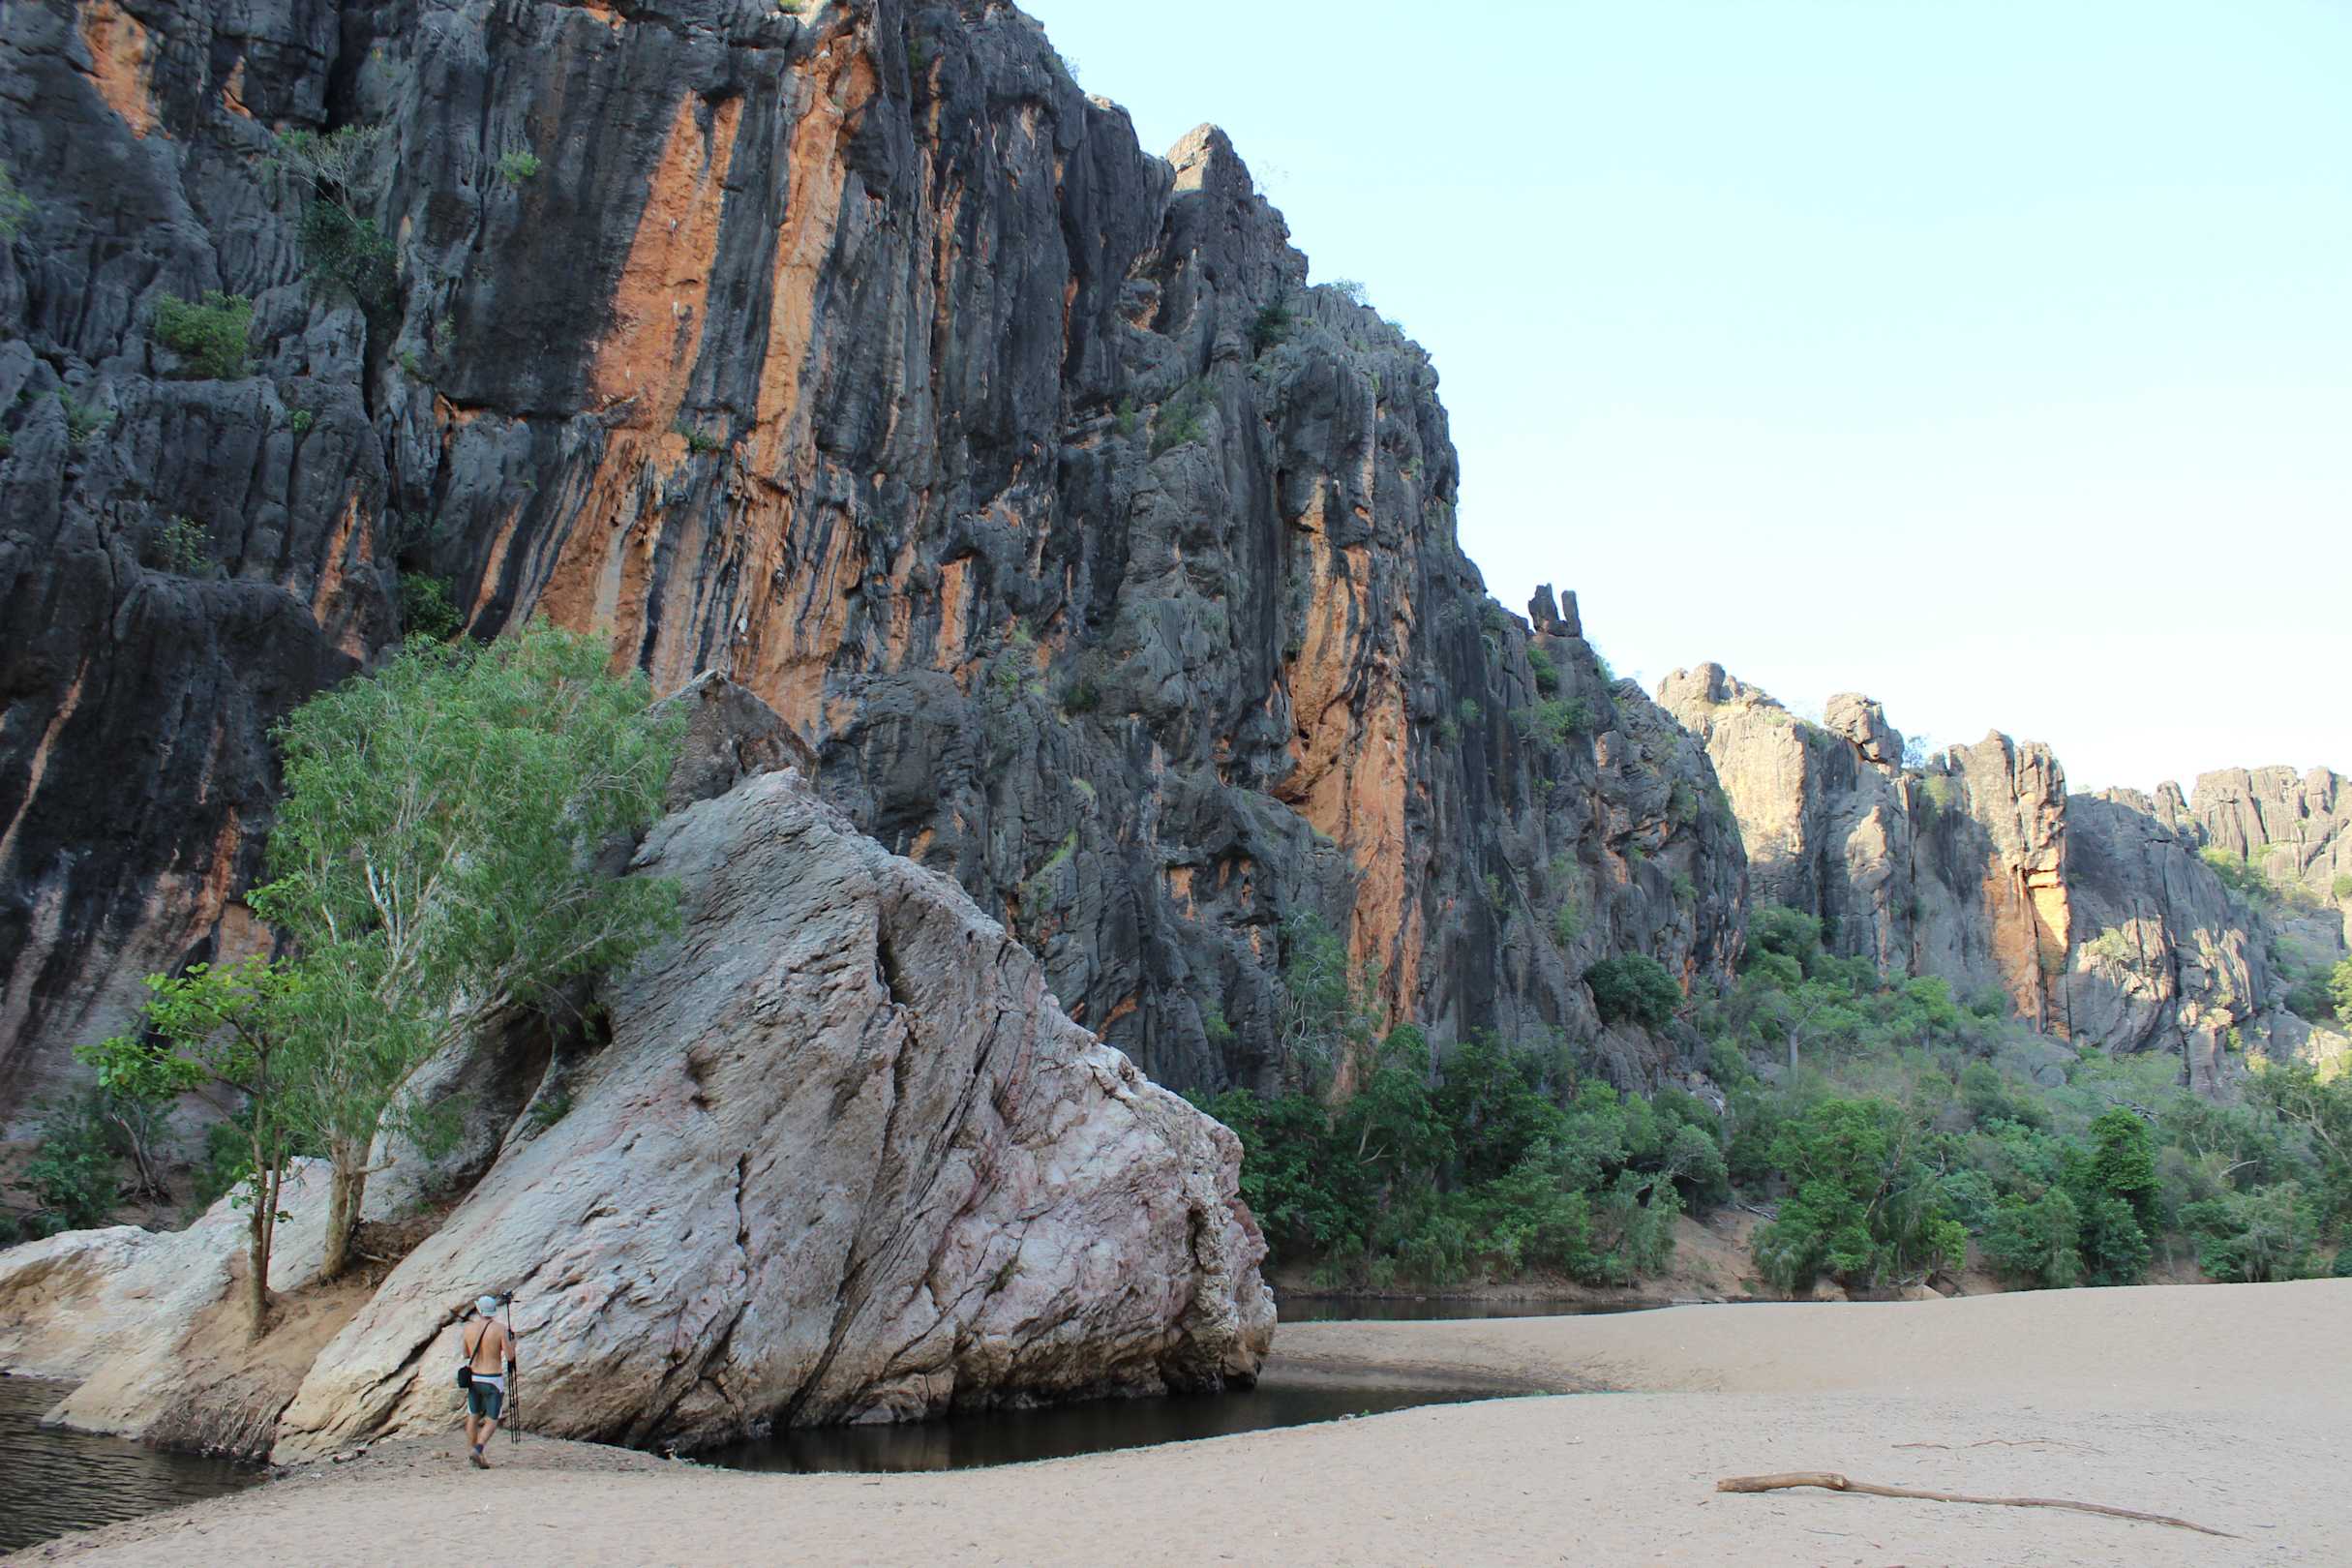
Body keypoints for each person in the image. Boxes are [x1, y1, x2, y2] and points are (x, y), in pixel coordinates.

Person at [459, 1293, 516, 1468]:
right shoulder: (500, 1329)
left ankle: (473, 1455)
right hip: (492, 1378)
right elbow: (510, 1356)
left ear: (479, 1309)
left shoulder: (468, 1329)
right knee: (492, 1419)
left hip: (474, 1378)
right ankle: (478, 1449)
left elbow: (466, 1354)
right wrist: (513, 1343)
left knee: (473, 1416)